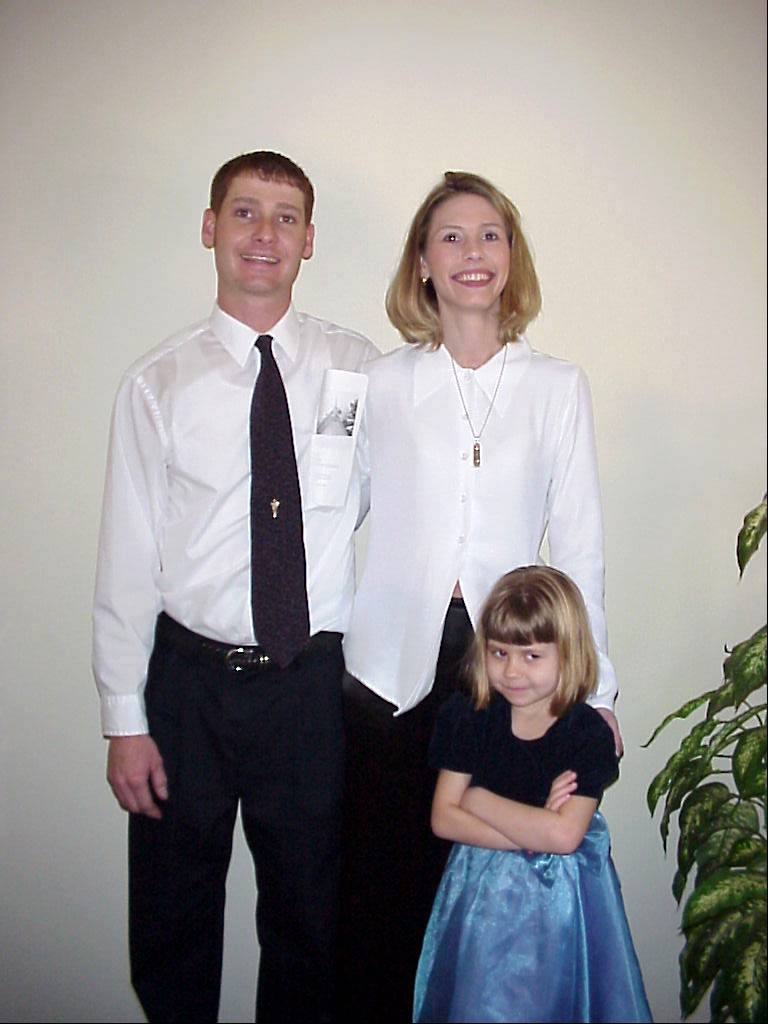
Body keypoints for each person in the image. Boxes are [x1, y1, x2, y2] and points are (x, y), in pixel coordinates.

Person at [93, 150, 377, 1023]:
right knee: (172, 920)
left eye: (286, 217)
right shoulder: (158, 383)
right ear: (211, 228)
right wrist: (124, 719)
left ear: (309, 240)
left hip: (309, 685)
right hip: (189, 687)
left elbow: (406, 497)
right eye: (245, 212)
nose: (265, 234)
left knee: (310, 919)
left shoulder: (358, 368)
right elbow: (127, 556)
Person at [338, 171, 622, 1022]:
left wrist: (597, 691)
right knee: (380, 890)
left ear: (511, 256)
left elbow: (580, 546)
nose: (473, 252)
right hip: (388, 670)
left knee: (485, 901)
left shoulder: (556, 385)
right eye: (451, 236)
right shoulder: (381, 382)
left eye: (490, 235)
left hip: (509, 675)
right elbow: (333, 517)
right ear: (422, 262)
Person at [414, 566, 651, 1023]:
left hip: (561, 905)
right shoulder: (471, 716)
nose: (512, 671)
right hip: (479, 901)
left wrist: (477, 800)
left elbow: (564, 837)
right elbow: (443, 818)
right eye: (499, 652)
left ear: (569, 653)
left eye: (532, 656)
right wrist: (533, 825)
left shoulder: (586, 735)